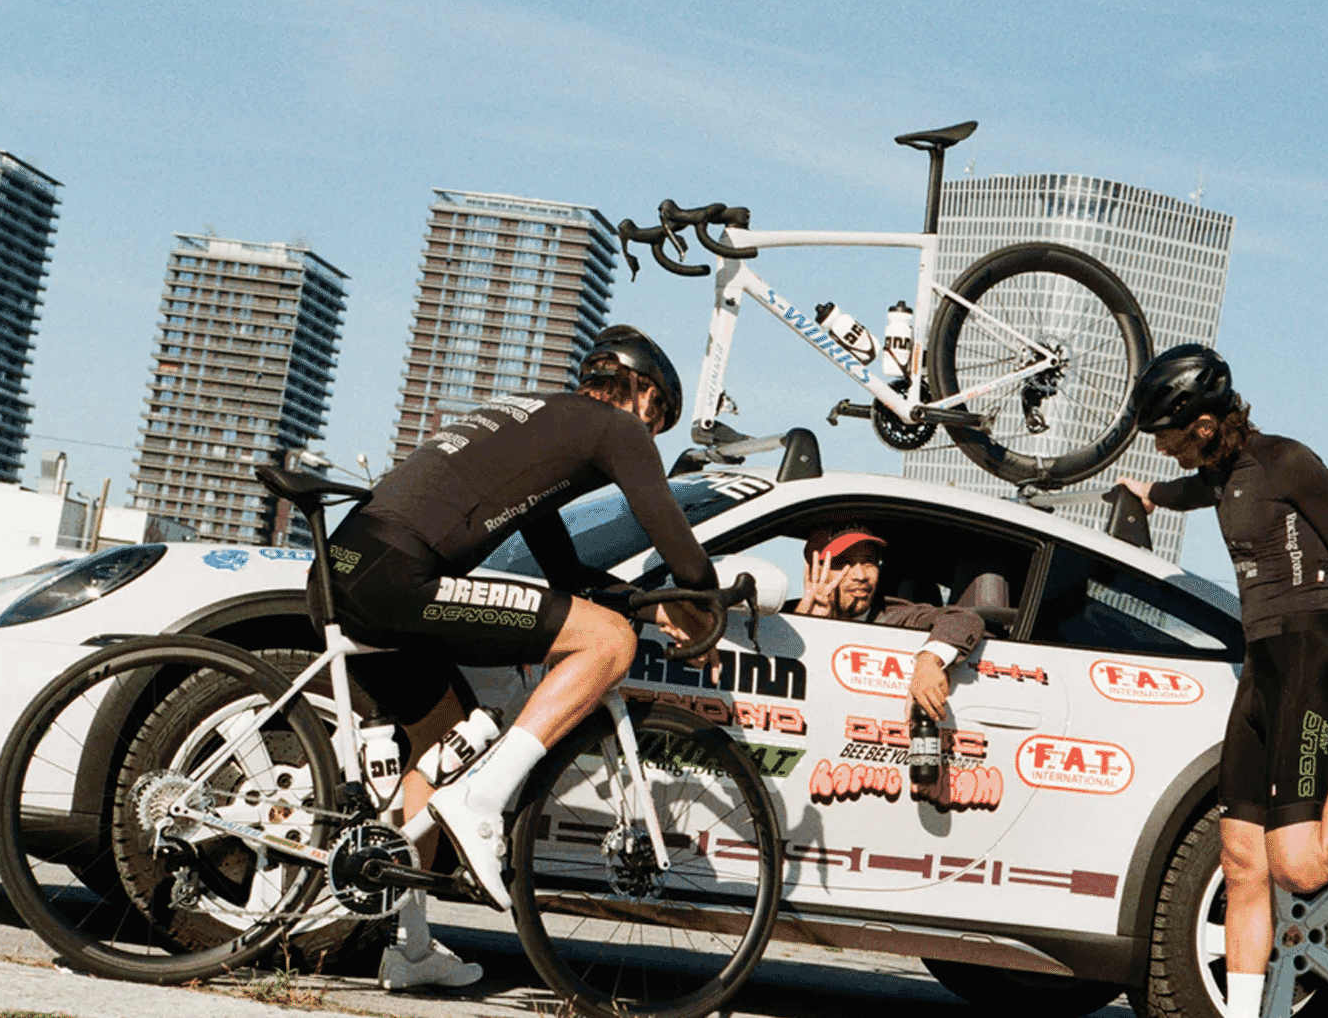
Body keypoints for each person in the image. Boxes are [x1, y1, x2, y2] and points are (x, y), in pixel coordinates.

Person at [316, 325, 716, 991]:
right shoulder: (618, 430)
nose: (653, 436)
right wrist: (702, 605)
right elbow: (678, 544)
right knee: (610, 644)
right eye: (660, 420)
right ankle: (485, 799)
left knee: (440, 743)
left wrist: (631, 598)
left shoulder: (543, 419)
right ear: (643, 392)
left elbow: (559, 561)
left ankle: (409, 946)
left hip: (351, 568)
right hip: (398, 577)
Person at [1116, 344, 1328, 1018]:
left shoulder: (1290, 462)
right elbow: (1186, 492)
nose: (1164, 451)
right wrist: (1147, 495)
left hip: (1311, 664)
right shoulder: (1222, 476)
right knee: (1241, 862)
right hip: (1260, 671)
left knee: (1300, 867)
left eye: (1167, 439)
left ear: (1201, 426)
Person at [792, 521, 986, 722]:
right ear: (815, 569)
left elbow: (963, 620)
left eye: (868, 562)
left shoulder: (896, 616)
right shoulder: (787, 616)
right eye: (844, 562)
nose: (860, 576)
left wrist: (929, 660)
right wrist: (804, 624)